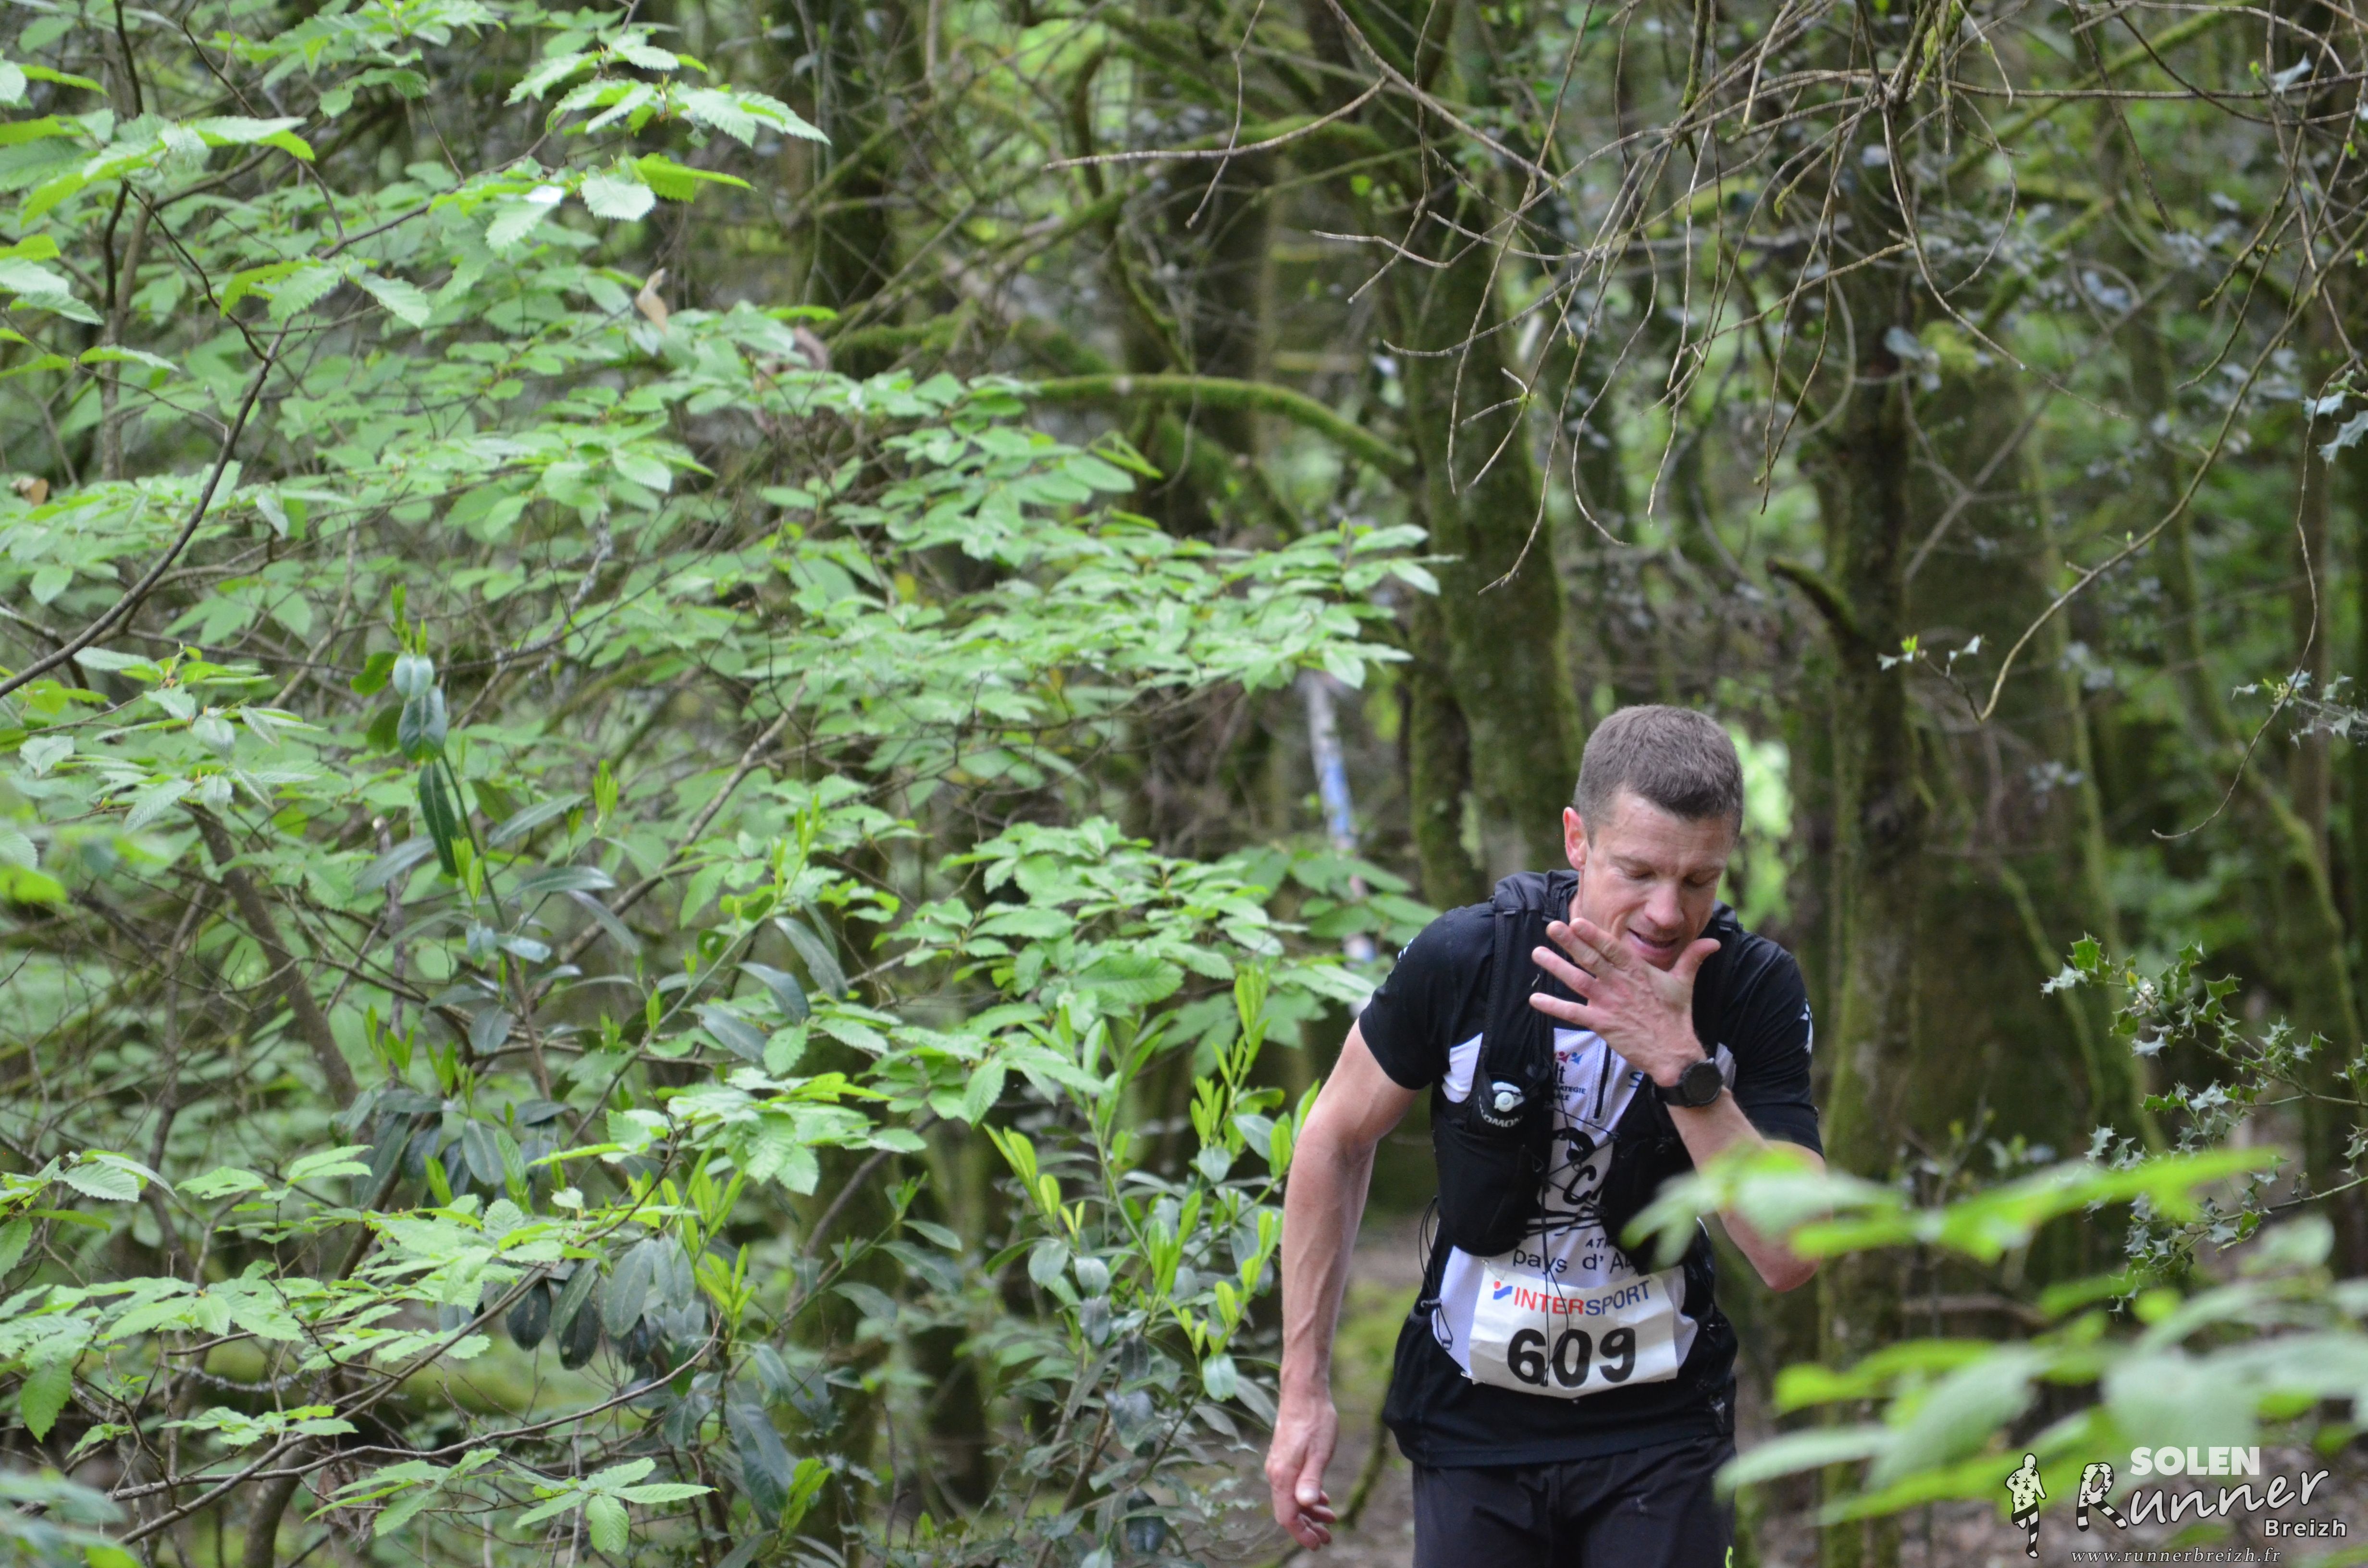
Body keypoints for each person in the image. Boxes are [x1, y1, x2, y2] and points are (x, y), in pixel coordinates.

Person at [1264, 705, 1825, 1567]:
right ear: (1577, 840)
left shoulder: (1751, 989)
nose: (1668, 912)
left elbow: (1792, 1253)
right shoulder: (1470, 959)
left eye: (1699, 880)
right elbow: (1333, 1139)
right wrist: (1302, 1391)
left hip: (1662, 1428)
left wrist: (1679, 1066)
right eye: (1638, 872)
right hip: (1472, 1422)